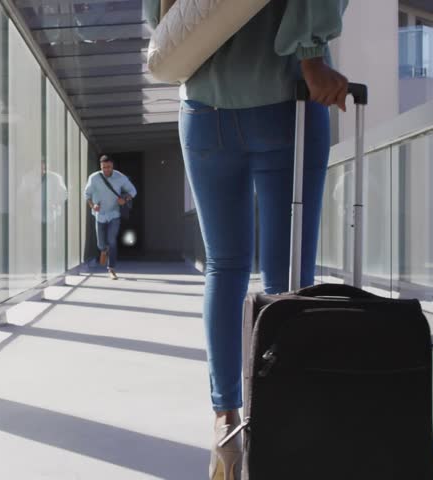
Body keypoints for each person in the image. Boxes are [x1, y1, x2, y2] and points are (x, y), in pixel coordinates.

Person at [143, 1, 350, 479]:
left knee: (225, 266)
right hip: (286, 97)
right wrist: (312, 56)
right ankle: (279, 415)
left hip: (204, 109)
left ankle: (226, 423)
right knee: (288, 275)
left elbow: (162, 17)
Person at [84, 155, 137, 280]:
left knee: (112, 240)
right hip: (100, 214)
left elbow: (133, 191)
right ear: (100, 167)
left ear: (112, 165)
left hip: (114, 213)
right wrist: (93, 205)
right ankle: (103, 250)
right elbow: (87, 194)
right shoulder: (94, 178)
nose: (106, 170)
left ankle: (111, 269)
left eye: (108, 167)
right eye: (103, 167)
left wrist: (125, 199)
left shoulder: (120, 177)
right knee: (101, 243)